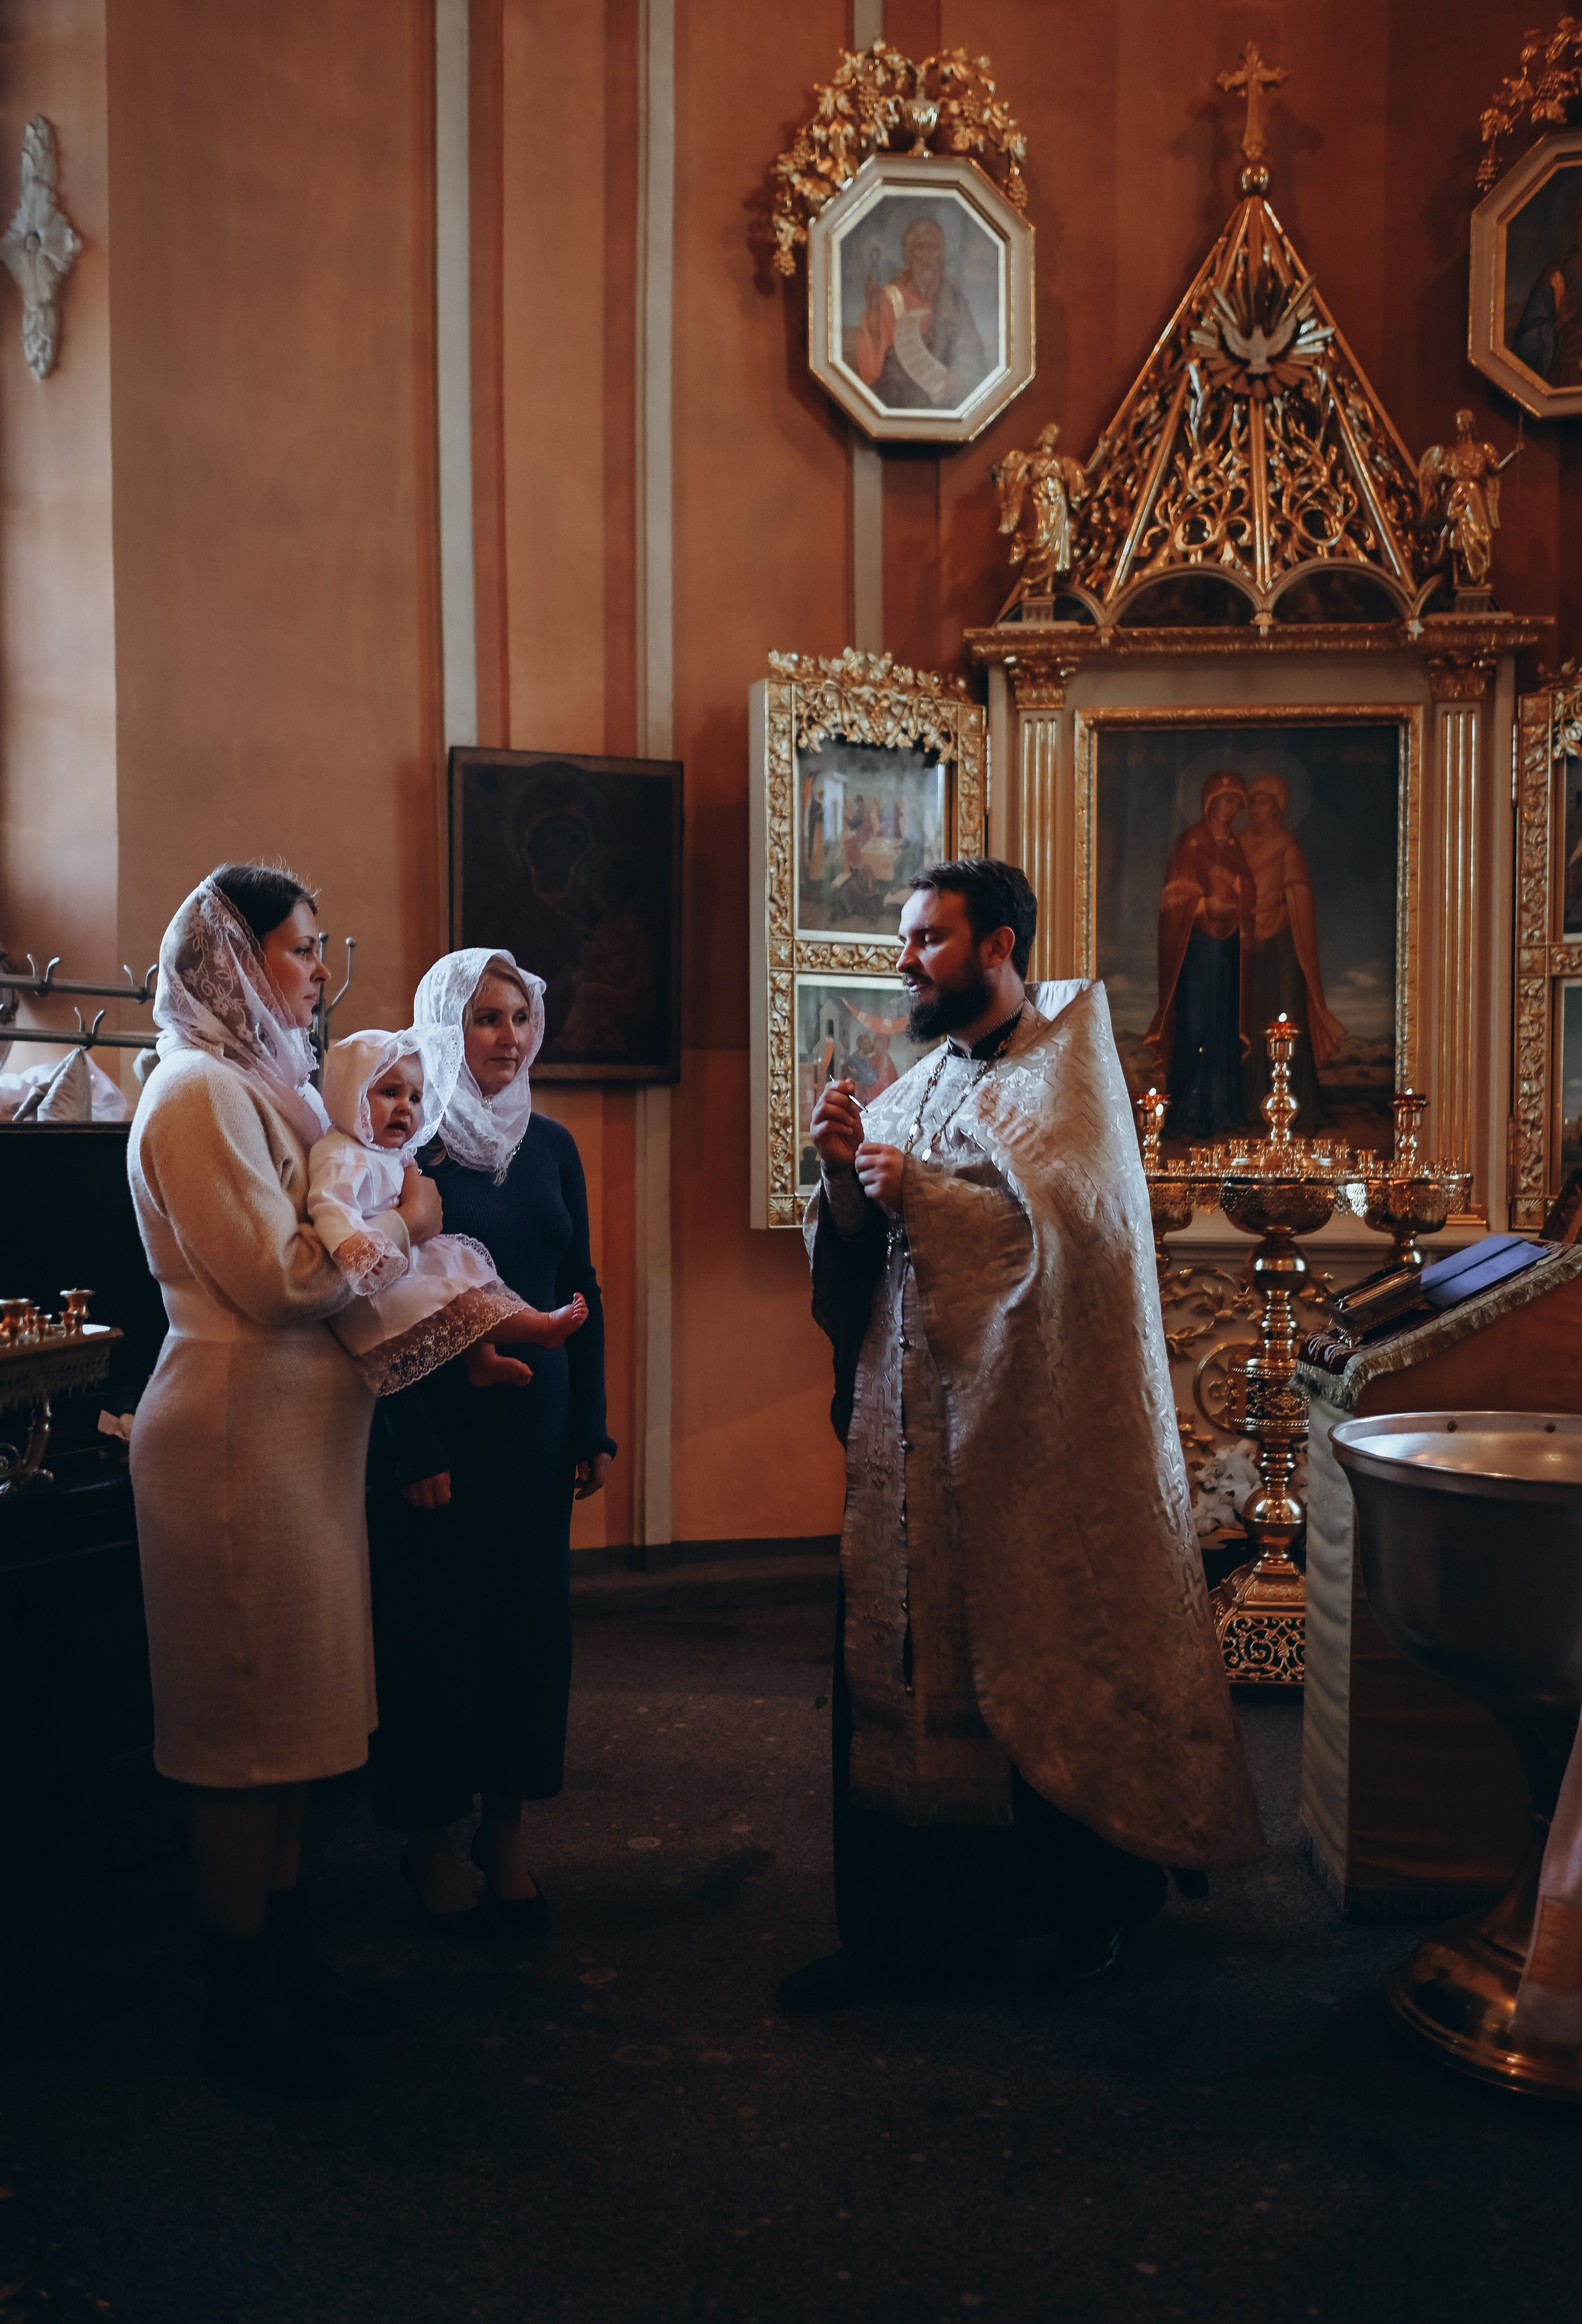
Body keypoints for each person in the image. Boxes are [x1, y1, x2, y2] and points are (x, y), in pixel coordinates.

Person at [781, 858, 1261, 2013]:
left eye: (928, 939)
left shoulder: (1070, 1076)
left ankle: (1089, 1904)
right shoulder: (919, 1084)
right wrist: (847, 1179)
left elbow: (1083, 1243)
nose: (905, 960)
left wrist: (924, 1201)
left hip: (1031, 1450)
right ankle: (909, 1932)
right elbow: (857, 1256)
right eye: (907, 939)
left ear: (998, 946)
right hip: (910, 1453)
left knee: (1050, 1646)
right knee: (903, 1675)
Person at [129, 865, 436, 2094]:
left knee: (296, 1721)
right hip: (231, 1438)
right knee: (237, 1731)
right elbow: (281, 1276)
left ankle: (290, 1954)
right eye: (305, 949)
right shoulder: (198, 1090)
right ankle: (236, 1995)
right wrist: (406, 1220)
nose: (322, 971)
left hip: (297, 1443)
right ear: (240, 959)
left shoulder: (270, 1084)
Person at [365, 949, 614, 1930]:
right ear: (441, 1026)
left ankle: (504, 1830)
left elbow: (582, 1281)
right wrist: (412, 1441)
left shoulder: (552, 1145)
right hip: (443, 1435)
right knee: (434, 1640)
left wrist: (591, 1422)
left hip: (537, 1435)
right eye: (484, 1018)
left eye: (518, 1017)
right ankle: (428, 1838)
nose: (507, 1036)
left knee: (527, 1633)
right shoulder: (405, 1147)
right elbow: (376, 1304)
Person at [308, 1025, 586, 1392]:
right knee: (459, 1301)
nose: (405, 1108)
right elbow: (328, 1204)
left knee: (466, 1275)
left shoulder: (390, 1153)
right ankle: (542, 1328)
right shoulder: (340, 1153)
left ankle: (482, 1359)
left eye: (416, 1098)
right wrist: (350, 1245)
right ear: (351, 1095)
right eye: (390, 1093)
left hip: (408, 1259)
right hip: (374, 1285)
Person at [1146, 771, 1256, 1140]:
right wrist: (1209, 901)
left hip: (1228, 951)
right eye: (1224, 801)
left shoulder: (1235, 848)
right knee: (1196, 1026)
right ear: (1209, 803)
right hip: (1197, 950)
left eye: (1236, 804)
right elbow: (1175, 900)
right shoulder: (1190, 843)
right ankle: (1189, 1114)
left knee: (1223, 1028)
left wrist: (1238, 888)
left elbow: (1249, 892)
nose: (1230, 810)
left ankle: (1223, 1111)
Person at [1237, 772, 1345, 1133]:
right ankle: (1253, 1101)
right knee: (1250, 1018)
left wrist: (1279, 898)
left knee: (1287, 1010)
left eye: (1264, 802)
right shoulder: (1238, 845)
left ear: (1278, 808)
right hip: (1248, 941)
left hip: (1284, 939)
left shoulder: (1287, 847)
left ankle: (1298, 1102)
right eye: (1253, 801)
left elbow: (1300, 894)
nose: (1257, 808)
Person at [854, 213, 988, 410]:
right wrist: (874, 317)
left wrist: (956, 378)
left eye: (933, 248)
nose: (927, 257)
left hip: (942, 403)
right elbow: (870, 370)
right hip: (896, 402)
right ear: (909, 256)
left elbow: (970, 350)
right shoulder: (890, 298)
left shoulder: (953, 297)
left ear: (941, 255)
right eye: (920, 247)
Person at [1512, 186, 1582, 387]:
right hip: (1567, 380)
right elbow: (1524, 347)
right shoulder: (1556, 278)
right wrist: (1560, 324)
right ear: (1577, 226)